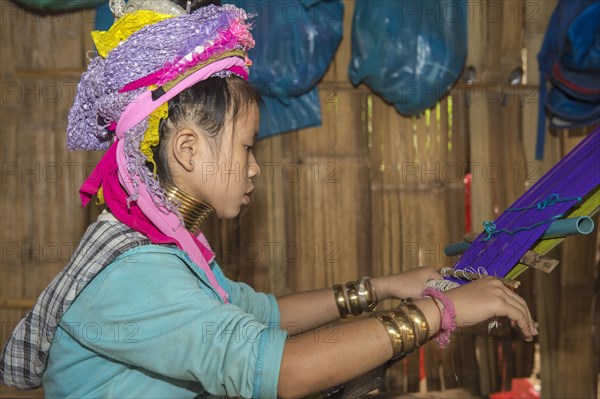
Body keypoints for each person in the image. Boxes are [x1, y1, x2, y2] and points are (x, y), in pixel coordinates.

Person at [0, 0, 538, 397]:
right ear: (188, 148)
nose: (255, 166)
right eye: (246, 146)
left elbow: (258, 314)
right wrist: (439, 310)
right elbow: (273, 369)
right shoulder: (132, 271)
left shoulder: (161, 242)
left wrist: (383, 287)